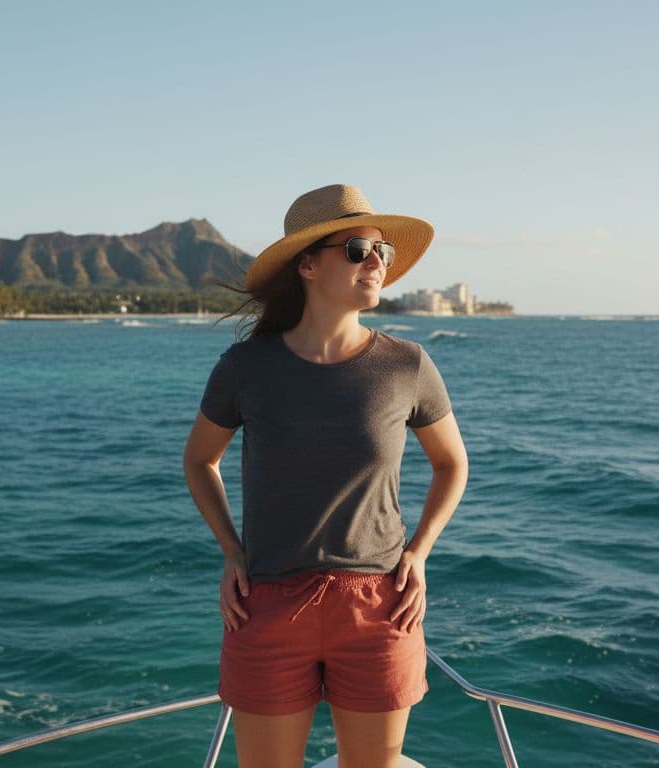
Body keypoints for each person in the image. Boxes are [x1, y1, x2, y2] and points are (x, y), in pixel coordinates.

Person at [183, 184, 468, 768]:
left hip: (377, 606)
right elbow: (199, 460)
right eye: (360, 248)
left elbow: (451, 464)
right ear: (307, 264)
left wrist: (420, 553)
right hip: (266, 604)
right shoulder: (246, 367)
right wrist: (231, 552)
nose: (376, 264)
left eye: (383, 253)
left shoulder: (407, 365)